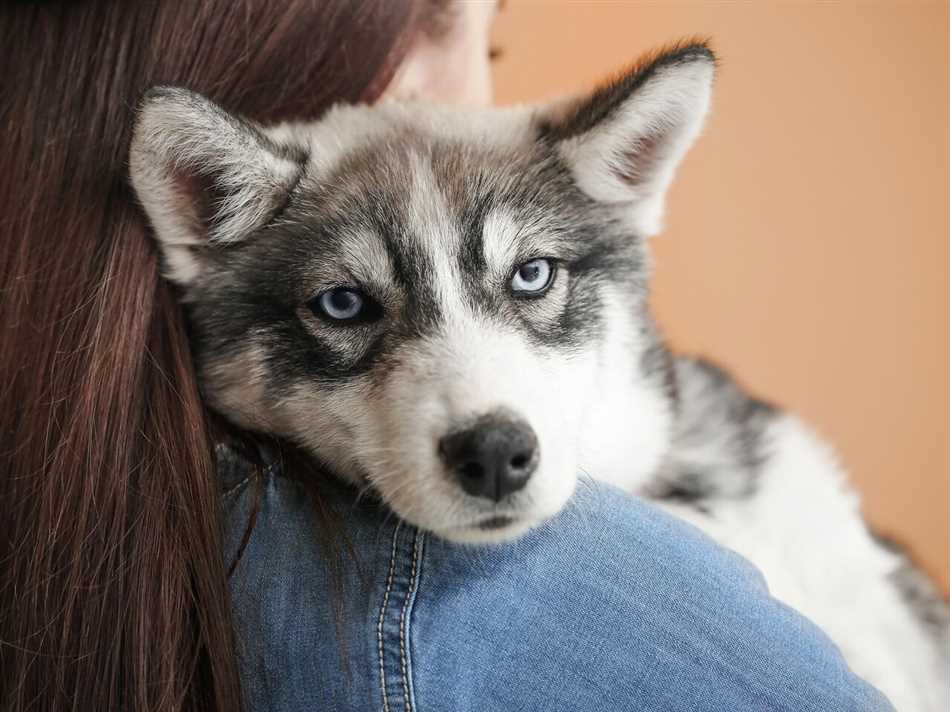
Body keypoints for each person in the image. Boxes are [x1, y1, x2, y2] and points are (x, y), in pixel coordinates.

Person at [0, 2, 893, 710]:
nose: (455, 95)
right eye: (345, 306)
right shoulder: (493, 597)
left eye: (532, 277)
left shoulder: (106, 529)